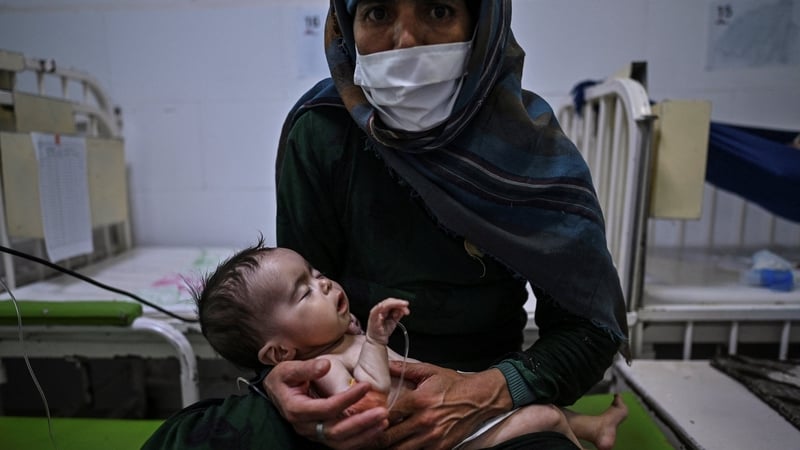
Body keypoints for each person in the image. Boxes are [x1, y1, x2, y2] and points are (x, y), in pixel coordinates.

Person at [144, 1, 630, 449]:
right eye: (377, 12)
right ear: (348, 27)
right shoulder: (323, 132)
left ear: (481, 24)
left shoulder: (528, 149)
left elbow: (589, 329)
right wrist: (284, 384)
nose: (406, 41)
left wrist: (491, 390)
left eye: (438, 10)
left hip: (484, 386)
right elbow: (283, 315)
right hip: (348, 395)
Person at [192, 240, 628, 450]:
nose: (323, 283)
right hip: (437, 443)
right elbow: (371, 402)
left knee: (506, 397)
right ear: (280, 354)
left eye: (315, 272)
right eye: (304, 292)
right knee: (542, 416)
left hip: (447, 410)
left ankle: (592, 429)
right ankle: (577, 432)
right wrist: (376, 341)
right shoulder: (323, 369)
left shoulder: (336, 341)